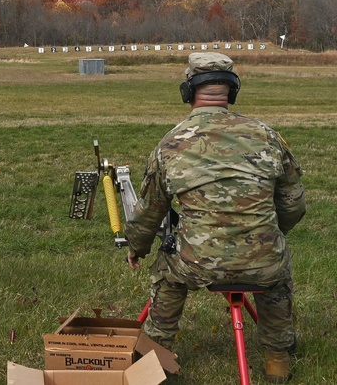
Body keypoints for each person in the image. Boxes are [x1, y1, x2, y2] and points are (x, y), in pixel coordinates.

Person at [124, 52, 305, 383]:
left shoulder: (170, 143)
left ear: (187, 91)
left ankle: (156, 356)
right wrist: (269, 233)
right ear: (232, 92)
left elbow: (150, 211)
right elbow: (293, 205)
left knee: (167, 273)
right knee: (275, 273)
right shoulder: (267, 135)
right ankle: (277, 356)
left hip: (197, 263)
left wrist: (137, 247)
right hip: (262, 260)